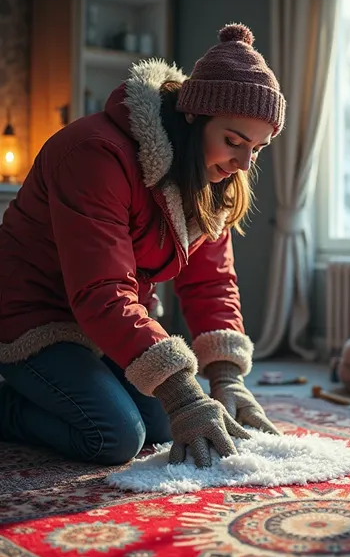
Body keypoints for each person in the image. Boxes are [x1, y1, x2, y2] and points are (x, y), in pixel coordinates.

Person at [0, 23, 286, 468]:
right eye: (234, 141)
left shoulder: (212, 174)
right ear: (194, 115)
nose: (243, 163)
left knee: (160, 427)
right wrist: (183, 395)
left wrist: (226, 379)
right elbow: (101, 290)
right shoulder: (95, 153)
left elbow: (211, 282)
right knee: (116, 436)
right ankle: (8, 403)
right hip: (30, 316)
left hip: (103, 322)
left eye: (258, 148)